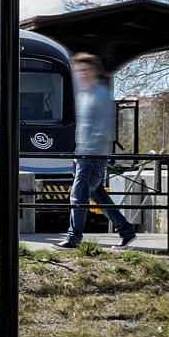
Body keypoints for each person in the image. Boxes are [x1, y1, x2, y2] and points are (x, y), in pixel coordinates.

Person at [59, 53, 136, 249]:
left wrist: (85, 153)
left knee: (78, 195)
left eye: (85, 70)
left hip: (91, 155)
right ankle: (126, 230)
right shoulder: (86, 95)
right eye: (79, 71)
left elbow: (102, 129)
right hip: (85, 154)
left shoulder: (100, 94)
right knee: (97, 195)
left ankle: (73, 237)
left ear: (94, 71)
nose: (81, 74)